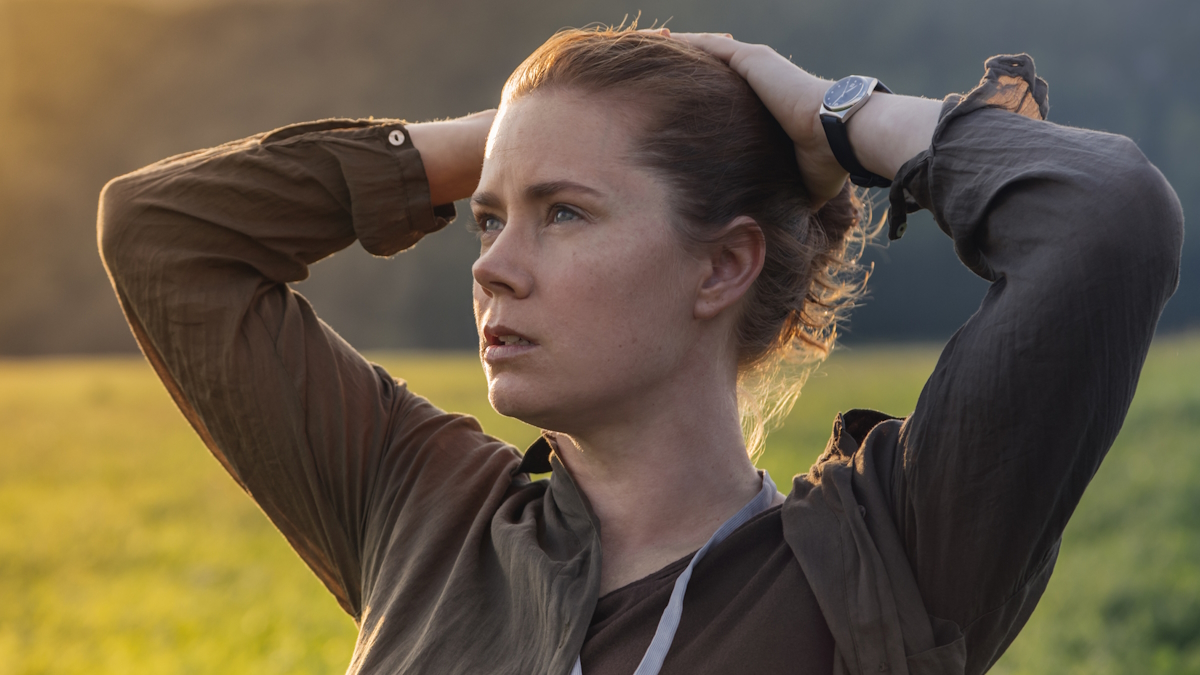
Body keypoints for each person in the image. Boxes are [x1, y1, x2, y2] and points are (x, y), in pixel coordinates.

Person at [97, 27, 1182, 675]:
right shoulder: (416, 509)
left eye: (563, 214)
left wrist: (831, 116)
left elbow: (1105, 218)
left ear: (722, 267)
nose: (492, 267)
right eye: (489, 218)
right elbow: (163, 233)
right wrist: (529, 132)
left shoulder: (894, 560)